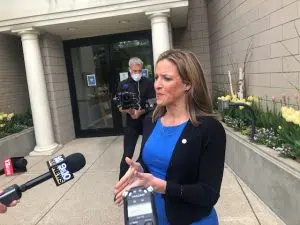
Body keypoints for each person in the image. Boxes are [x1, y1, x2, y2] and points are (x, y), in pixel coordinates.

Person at [114, 49, 226, 225]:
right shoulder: (152, 121)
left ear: (187, 84)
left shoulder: (209, 129)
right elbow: (147, 159)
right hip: (154, 218)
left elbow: (208, 194)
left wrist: (162, 186)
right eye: (156, 77)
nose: (157, 85)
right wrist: (139, 168)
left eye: (166, 78)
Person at [117, 57, 155, 180]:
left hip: (146, 120)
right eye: (134, 71)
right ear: (129, 70)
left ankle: (147, 180)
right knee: (127, 154)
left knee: (147, 152)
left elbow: (153, 104)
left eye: (139, 71)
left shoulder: (149, 83)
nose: (137, 73)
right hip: (131, 122)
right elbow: (119, 106)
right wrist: (129, 110)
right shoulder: (123, 84)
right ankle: (121, 183)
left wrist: (141, 112)